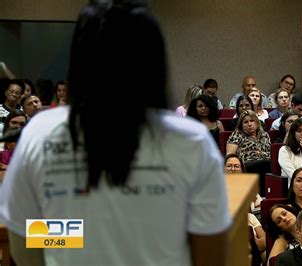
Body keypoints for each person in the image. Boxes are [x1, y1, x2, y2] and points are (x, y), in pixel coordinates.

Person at [0, 1, 231, 265]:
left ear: (79, 60)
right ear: (154, 62)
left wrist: (80, 234)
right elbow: (209, 252)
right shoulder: (192, 141)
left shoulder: (39, 134)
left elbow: (26, 242)